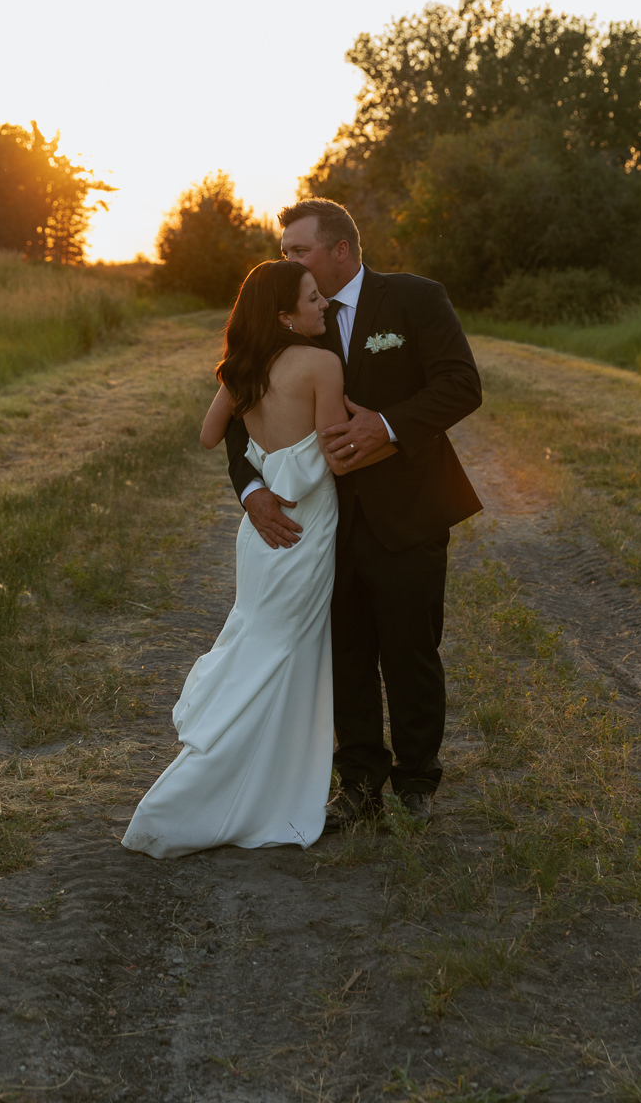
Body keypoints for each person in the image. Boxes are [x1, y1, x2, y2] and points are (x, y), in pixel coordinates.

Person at [226, 198, 482, 830]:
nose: (286, 261)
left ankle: (418, 780)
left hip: (409, 509)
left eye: (298, 251)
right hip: (321, 522)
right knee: (342, 655)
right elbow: (238, 419)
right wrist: (251, 491)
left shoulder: (415, 300)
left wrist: (390, 428)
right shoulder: (283, 321)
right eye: (284, 251)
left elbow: (460, 385)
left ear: (340, 250)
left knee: (411, 651)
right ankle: (358, 786)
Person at [122, 260, 388, 859]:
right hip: (305, 532)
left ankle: (246, 771)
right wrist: (377, 430)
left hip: (260, 540)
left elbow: (210, 435)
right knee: (284, 655)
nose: (325, 307)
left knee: (262, 643)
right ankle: (241, 783)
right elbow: (337, 457)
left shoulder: (243, 369)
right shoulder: (322, 365)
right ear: (285, 315)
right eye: (314, 300)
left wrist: (264, 455)